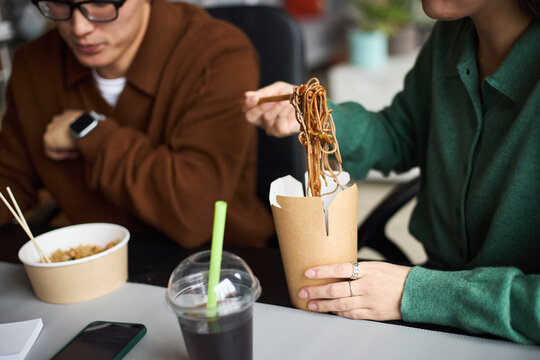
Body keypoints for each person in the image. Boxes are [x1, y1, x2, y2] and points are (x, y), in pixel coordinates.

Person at [244, 0, 540, 344]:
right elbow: (401, 136)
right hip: (437, 322)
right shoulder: (452, 37)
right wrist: (315, 117)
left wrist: (418, 292)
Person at [0, 0, 274, 248]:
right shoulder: (33, 65)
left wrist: (89, 131)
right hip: (96, 264)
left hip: (223, 265)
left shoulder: (218, 54)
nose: (79, 27)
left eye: (101, 2)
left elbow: (192, 212)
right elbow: (10, 182)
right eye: (60, 3)